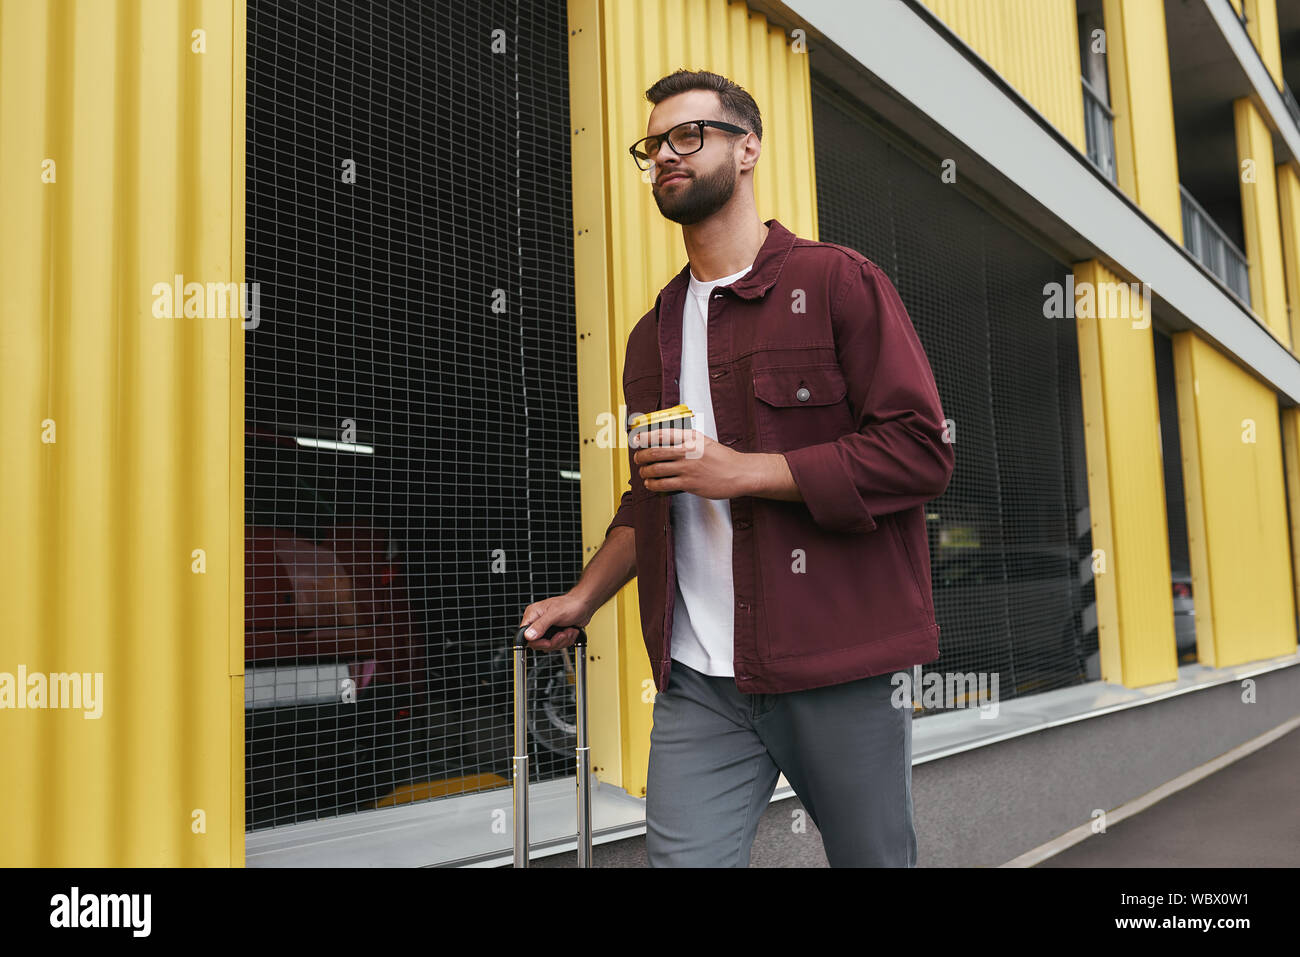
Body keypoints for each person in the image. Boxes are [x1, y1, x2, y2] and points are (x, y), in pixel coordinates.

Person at [518, 68, 954, 867]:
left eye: (690, 135)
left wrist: (749, 472)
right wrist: (582, 598)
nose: (666, 155)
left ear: (747, 148)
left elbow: (921, 450)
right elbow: (651, 498)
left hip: (837, 666)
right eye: (654, 145)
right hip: (700, 684)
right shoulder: (651, 334)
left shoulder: (837, 282)